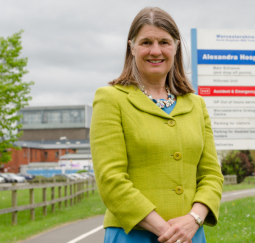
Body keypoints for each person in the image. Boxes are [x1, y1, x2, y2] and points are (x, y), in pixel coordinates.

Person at [90, 7, 223, 243]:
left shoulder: (196, 104)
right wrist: (169, 233)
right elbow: (110, 179)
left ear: (176, 47)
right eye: (146, 42)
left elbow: (212, 175)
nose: (155, 51)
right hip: (133, 235)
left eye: (164, 42)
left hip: (191, 234)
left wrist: (193, 219)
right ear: (131, 47)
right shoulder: (111, 99)